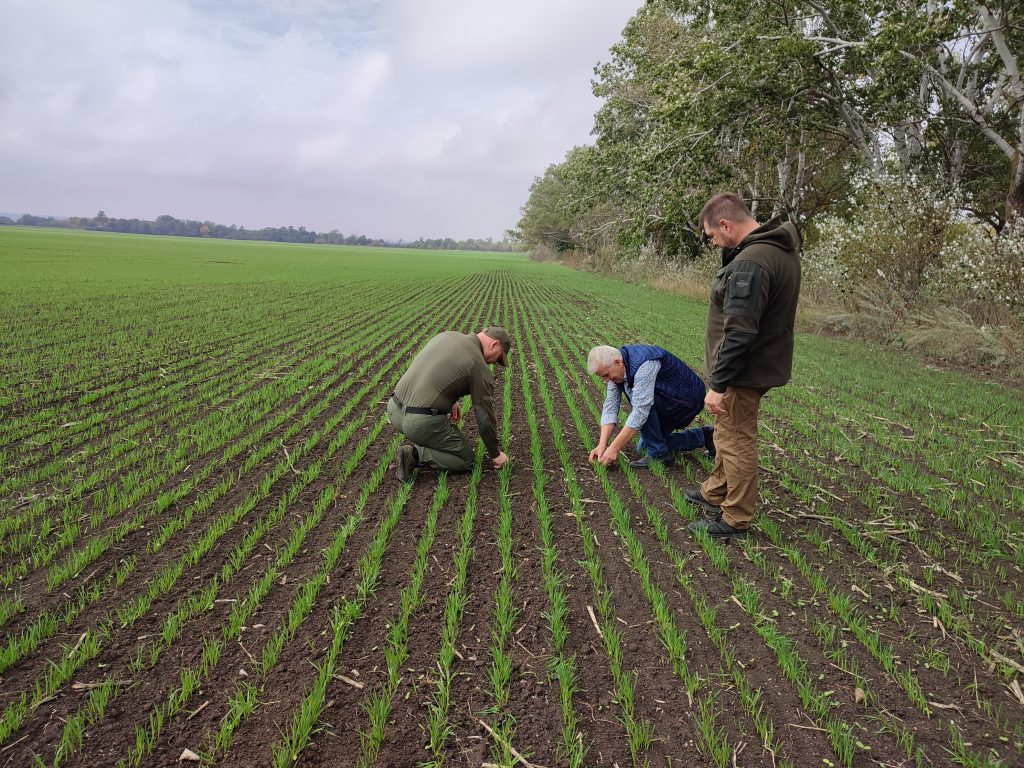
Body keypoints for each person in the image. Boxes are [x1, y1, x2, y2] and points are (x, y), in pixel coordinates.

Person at [686, 193, 801, 539]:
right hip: (755, 364)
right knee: (726, 433)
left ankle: (735, 518)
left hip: (742, 371)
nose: (712, 241)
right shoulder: (777, 250)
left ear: (725, 224)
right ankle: (715, 491)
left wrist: (718, 385)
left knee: (736, 438)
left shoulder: (751, 263)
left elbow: (739, 331)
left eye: (712, 235)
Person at [387, 327, 511, 482]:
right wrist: (496, 454)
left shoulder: (446, 336)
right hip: (419, 423)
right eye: (498, 357)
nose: (494, 363)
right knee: (467, 461)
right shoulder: (479, 367)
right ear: (494, 344)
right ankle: (413, 455)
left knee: (429, 430)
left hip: (394, 409)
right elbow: (484, 418)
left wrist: (450, 399)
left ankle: (423, 441)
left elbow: (433, 370)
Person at [587, 344, 713, 469]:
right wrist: (602, 446)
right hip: (667, 399)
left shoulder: (644, 365)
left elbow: (640, 412)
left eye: (606, 375)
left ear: (618, 362)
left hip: (686, 400)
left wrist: (614, 449)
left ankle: (659, 454)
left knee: (643, 406)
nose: (606, 380)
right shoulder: (617, 372)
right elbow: (610, 407)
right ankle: (705, 436)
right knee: (645, 447)